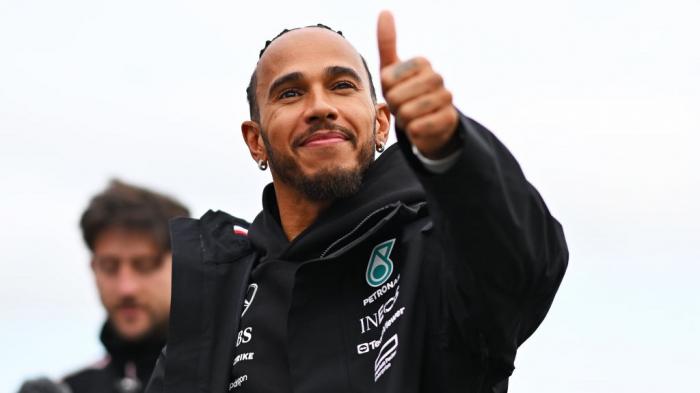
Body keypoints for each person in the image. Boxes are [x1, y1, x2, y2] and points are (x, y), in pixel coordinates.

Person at [147, 11, 568, 393]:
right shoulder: (221, 298)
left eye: (342, 86)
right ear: (256, 141)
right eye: (291, 94)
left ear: (381, 123)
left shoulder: (434, 251)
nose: (320, 107)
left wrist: (454, 152)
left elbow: (525, 267)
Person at [63, 179, 190, 393]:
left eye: (145, 265)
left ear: (184, 265)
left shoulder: (231, 378)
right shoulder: (69, 388)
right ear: (93, 268)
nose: (126, 288)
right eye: (110, 266)